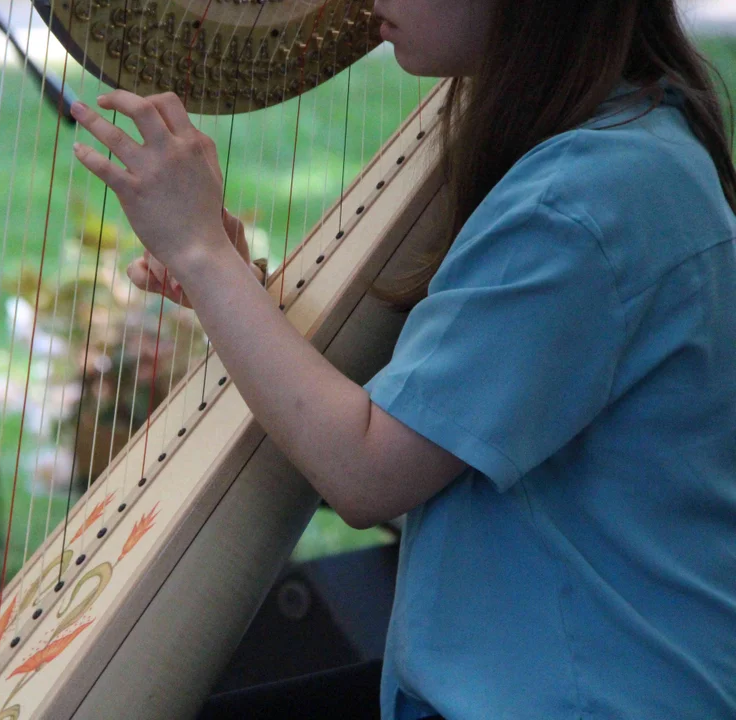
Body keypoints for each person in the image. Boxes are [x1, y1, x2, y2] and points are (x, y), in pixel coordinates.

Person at [69, 0, 736, 716]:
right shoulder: (631, 145)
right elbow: (416, 431)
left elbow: (366, 473)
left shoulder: (579, 205)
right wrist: (237, 299)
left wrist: (203, 255)